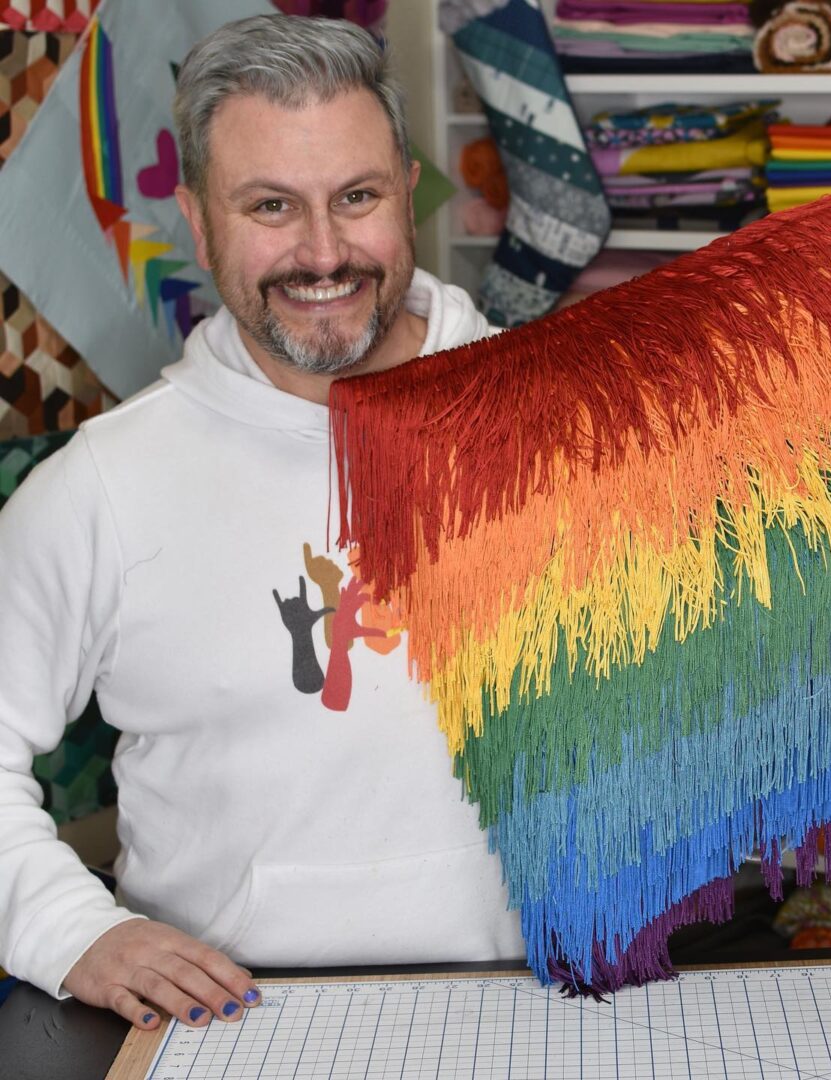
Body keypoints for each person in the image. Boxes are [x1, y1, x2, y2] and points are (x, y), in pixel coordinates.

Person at [0, 14, 525, 1033]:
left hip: (522, 1016)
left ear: (407, 194)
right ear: (198, 222)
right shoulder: (101, 489)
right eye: (271, 206)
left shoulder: (556, 423)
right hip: (226, 1033)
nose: (324, 252)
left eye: (358, 198)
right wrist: (70, 929)